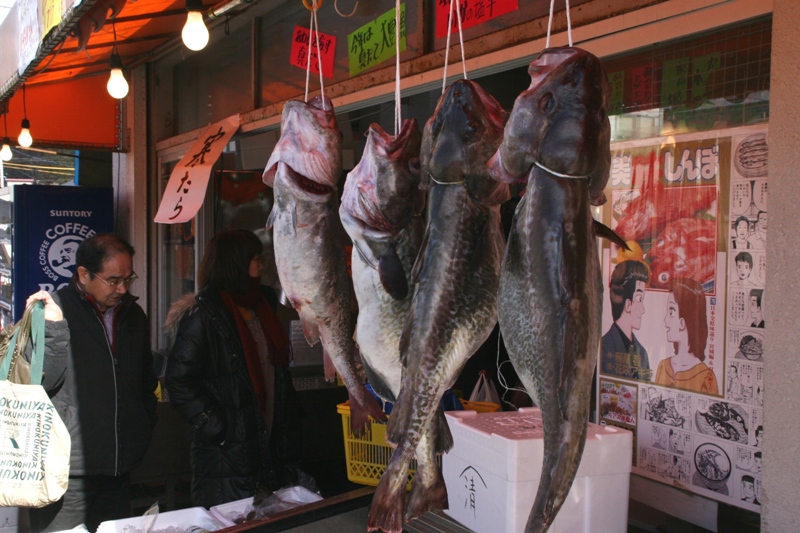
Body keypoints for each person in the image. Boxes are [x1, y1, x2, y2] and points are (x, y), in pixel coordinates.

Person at [29, 234, 158, 533]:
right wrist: (52, 329)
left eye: (129, 278)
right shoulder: (52, 310)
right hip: (65, 472)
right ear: (84, 274)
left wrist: (141, 428)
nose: (123, 289)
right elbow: (39, 382)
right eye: (113, 280)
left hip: (118, 466)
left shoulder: (133, 315)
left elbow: (144, 381)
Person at [165, 229, 302, 508]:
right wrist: (215, 424)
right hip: (227, 452)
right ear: (236, 263)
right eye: (255, 258)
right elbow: (178, 380)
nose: (261, 265)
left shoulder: (264, 307)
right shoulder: (205, 315)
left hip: (269, 440)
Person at [654, 278, 719, 394]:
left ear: (682, 322)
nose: (665, 320)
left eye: (671, 312)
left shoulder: (706, 377)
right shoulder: (663, 367)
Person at [601, 259, 651, 380]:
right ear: (628, 304)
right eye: (640, 299)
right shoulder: (603, 348)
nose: (643, 309)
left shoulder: (642, 353)